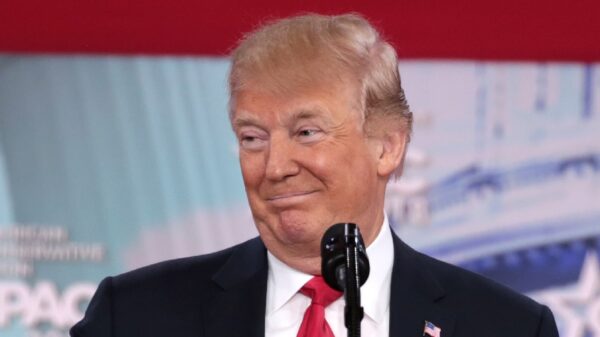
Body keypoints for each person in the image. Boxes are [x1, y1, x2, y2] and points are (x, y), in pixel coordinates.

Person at [70, 13, 559, 337]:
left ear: (387, 146)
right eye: (253, 138)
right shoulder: (133, 317)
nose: (275, 168)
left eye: (306, 132)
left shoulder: (507, 327)